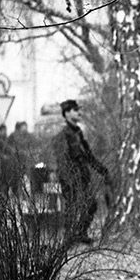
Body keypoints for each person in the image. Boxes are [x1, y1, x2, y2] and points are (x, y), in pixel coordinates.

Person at [52, 99, 110, 244]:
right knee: (72, 208)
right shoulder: (63, 135)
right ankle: (68, 239)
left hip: (82, 177)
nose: (79, 113)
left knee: (91, 205)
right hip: (70, 178)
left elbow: (88, 155)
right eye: (75, 110)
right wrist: (69, 180)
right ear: (67, 113)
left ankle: (80, 233)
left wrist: (102, 170)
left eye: (78, 110)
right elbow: (62, 160)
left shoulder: (78, 132)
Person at [0, 124, 13, 197]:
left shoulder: (8, 140)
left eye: (5, 130)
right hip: (1, 165)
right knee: (1, 182)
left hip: (9, 165)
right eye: (2, 130)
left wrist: (10, 156)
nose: (4, 132)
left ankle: (6, 197)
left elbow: (12, 150)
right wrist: (2, 156)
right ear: (0, 131)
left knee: (8, 182)